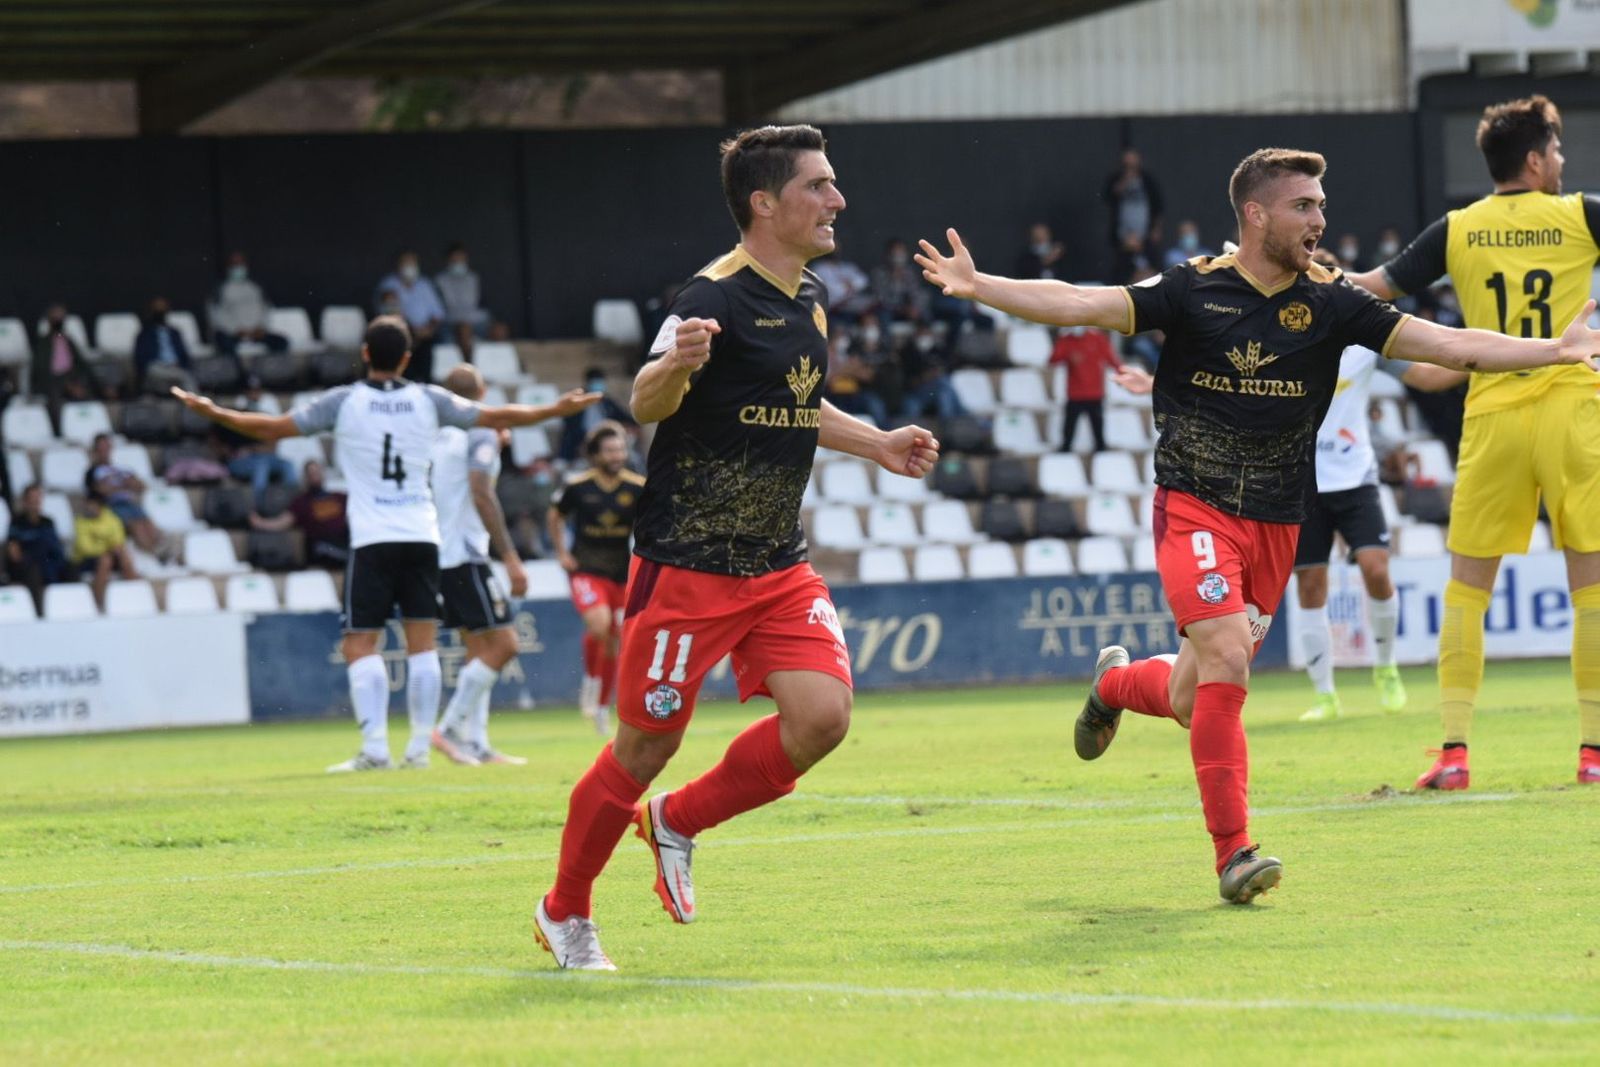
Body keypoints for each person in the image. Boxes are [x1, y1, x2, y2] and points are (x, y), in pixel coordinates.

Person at [917, 146, 1600, 904]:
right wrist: (981, 286)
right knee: (1226, 662)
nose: (1320, 218)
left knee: (1189, 695)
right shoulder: (1191, 290)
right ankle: (1234, 853)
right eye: (1304, 205)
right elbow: (1082, 302)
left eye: (1321, 204)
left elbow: (1449, 344)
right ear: (1257, 213)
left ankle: (1112, 683)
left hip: (1276, 522)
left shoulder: (1334, 302)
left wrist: (1553, 350)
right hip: (1194, 506)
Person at [533, 124, 939, 971]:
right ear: (765, 203)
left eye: (833, 185)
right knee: (644, 748)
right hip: (688, 565)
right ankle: (564, 910)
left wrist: (879, 443)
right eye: (819, 186)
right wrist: (675, 364)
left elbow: (799, 405)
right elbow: (646, 401)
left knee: (823, 718)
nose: (838, 200)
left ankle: (678, 821)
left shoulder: (810, 296)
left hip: (776, 564)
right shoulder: (708, 296)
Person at [172, 314, 599, 773]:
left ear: (365, 354)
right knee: (423, 644)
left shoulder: (344, 402)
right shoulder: (429, 400)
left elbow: (272, 428)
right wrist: (556, 410)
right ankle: (417, 750)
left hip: (373, 537)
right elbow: (497, 416)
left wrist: (215, 413)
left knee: (360, 644)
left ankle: (375, 748)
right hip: (422, 533)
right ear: (408, 359)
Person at [1347, 95, 1600, 788]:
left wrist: (1296, 267)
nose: (1562, 161)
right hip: (1573, 409)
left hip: (1491, 415)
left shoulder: (1457, 229)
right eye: (1556, 149)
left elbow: (1371, 289)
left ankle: (1454, 754)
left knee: (1466, 593)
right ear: (1534, 159)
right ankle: (1594, 754)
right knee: (1593, 590)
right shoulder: (1582, 213)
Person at [428, 364, 530, 767]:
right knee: (505, 645)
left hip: (439, 553)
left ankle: (477, 743)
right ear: (482, 393)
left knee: (478, 650)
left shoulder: (437, 436)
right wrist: (510, 557)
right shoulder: (480, 431)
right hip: (467, 553)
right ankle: (449, 729)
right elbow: (481, 493)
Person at [548, 420, 644, 736]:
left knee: (616, 642)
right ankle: (590, 679)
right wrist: (562, 552)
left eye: (620, 449)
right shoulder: (578, 486)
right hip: (586, 571)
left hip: (621, 574)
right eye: (610, 450)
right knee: (600, 624)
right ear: (596, 455)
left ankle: (602, 708)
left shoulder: (636, 487)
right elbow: (554, 514)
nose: (617, 455)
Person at [248, 459, 349, 568]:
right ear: (306, 477)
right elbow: (283, 522)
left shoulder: (339, 497)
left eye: (317, 472)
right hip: (321, 546)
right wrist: (260, 523)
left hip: (343, 541)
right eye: (311, 473)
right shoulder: (302, 502)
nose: (314, 476)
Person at [85, 433, 168, 559]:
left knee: (149, 525)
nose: (104, 451)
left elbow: (141, 486)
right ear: (96, 451)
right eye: (101, 448)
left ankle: (160, 553)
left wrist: (120, 485)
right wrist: (125, 485)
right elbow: (101, 490)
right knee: (137, 526)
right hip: (112, 506)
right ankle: (153, 555)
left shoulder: (121, 468)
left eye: (107, 447)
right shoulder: (92, 472)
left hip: (130, 503)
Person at [375, 251, 446, 384]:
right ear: (399, 265)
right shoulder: (389, 284)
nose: (409, 266)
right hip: (399, 332)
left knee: (426, 350)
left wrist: (428, 329)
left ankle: (425, 382)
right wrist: (410, 329)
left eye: (412, 263)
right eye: (406, 263)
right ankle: (401, 381)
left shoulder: (424, 285)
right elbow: (389, 311)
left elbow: (437, 314)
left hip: (425, 335)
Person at [1050, 325, 1124, 452]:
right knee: (1069, 429)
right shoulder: (1067, 340)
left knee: (1098, 429)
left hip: (1094, 392)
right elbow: (1053, 359)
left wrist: (1122, 372)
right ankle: (1065, 451)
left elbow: (1111, 358)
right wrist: (1065, 347)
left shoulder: (1097, 338)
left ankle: (1101, 453)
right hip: (1075, 393)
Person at [30, 303, 100, 432]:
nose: (58, 321)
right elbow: (40, 370)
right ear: (49, 320)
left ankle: (89, 429)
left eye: (60, 318)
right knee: (55, 400)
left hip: (72, 378)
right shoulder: (43, 342)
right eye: (55, 318)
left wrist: (77, 382)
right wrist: (66, 384)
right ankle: (61, 431)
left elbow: (81, 364)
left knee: (88, 393)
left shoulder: (67, 340)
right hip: (52, 381)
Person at [1103, 147, 1165, 282]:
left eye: (1133, 164)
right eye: (1127, 164)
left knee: (1151, 267)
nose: (1130, 167)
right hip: (1123, 236)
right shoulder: (1116, 179)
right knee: (1123, 269)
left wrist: (1156, 229)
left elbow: (1158, 206)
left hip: (1145, 233)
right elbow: (1108, 197)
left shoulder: (1147, 180)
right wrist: (1125, 180)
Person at [5, 483, 68, 614]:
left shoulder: (48, 522)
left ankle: (70, 609)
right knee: (35, 571)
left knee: (70, 568)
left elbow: (56, 548)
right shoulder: (17, 522)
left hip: (48, 563)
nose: (36, 501)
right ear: (25, 501)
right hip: (27, 565)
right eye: (32, 498)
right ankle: (39, 613)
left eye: (38, 498)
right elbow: (14, 553)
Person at [211, 252, 289, 357]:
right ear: (229, 267)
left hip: (256, 333)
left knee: (281, 342)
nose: (238, 268)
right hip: (233, 334)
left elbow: (265, 309)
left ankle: (269, 369)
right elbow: (216, 314)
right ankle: (240, 373)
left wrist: (261, 327)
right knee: (223, 344)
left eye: (240, 264)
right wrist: (236, 330)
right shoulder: (222, 289)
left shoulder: (254, 288)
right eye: (235, 264)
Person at [556, 366, 636, 463]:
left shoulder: (607, 403)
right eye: (595, 382)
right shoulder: (577, 401)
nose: (598, 385)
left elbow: (627, 418)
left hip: (605, 440)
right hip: (580, 444)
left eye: (600, 382)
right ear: (588, 383)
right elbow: (569, 424)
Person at [72, 491, 137, 609]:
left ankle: (135, 594)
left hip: (110, 554)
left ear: (99, 506)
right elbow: (85, 548)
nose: (89, 508)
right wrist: (108, 548)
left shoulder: (112, 518)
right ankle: (99, 603)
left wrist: (111, 548)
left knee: (125, 557)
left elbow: (119, 540)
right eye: (87, 505)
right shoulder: (81, 522)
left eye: (92, 505)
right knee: (105, 560)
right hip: (86, 560)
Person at [133, 297, 194, 395]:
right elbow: (141, 358)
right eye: (157, 310)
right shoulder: (145, 334)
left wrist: (182, 365)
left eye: (162, 310)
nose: (160, 313)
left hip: (175, 366)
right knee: (174, 375)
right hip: (157, 367)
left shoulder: (174, 332)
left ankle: (195, 406)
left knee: (186, 376)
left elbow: (183, 354)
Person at [435, 242, 491, 337]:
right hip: (450, 321)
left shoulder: (474, 278)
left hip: (474, 320)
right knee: (463, 329)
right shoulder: (440, 280)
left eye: (461, 259)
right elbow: (440, 310)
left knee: (499, 330)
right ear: (448, 260)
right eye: (455, 259)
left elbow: (479, 305)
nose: (458, 262)